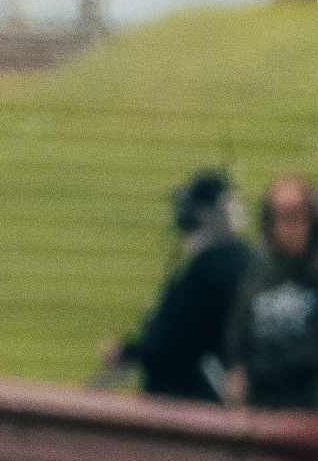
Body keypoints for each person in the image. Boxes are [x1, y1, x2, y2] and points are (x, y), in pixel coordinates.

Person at [107, 168, 249, 403]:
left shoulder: (204, 271)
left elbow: (169, 341)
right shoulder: (251, 261)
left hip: (193, 401)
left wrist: (129, 353)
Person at [225, 174, 318, 413]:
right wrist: (238, 374)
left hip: (309, 400)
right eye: (280, 218)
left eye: (295, 217)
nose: (288, 227)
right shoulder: (257, 276)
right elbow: (238, 336)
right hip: (258, 399)